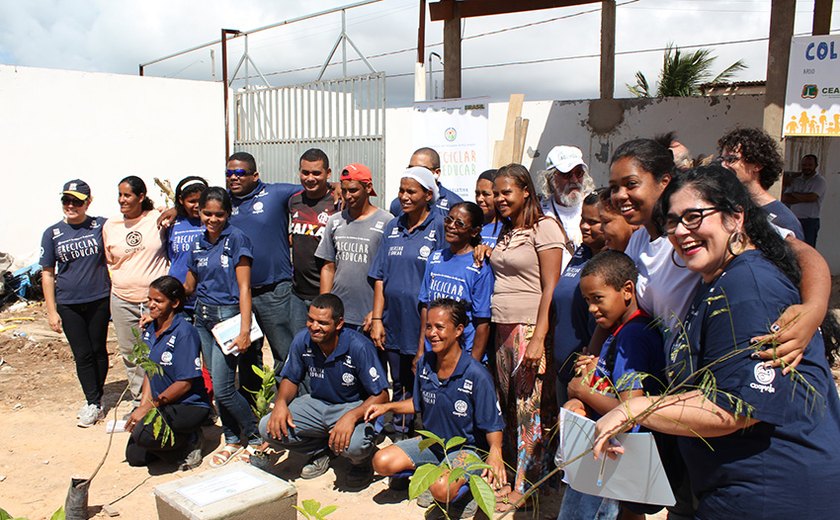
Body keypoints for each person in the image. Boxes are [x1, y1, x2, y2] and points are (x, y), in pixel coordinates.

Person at [593, 165, 840, 519]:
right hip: (737, 487)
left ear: (735, 217)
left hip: (772, 491)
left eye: (694, 217)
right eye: (672, 221)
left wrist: (634, 409)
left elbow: (734, 406)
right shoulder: (718, 281)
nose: (680, 231)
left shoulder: (748, 287)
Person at [366, 298, 506, 514]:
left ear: (459, 330)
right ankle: (433, 476)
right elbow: (417, 404)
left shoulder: (476, 374)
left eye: (440, 327)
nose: (432, 333)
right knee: (381, 462)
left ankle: (466, 494)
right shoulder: (425, 364)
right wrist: (387, 407)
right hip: (433, 443)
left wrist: (496, 451)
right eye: (429, 326)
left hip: (466, 449)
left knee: (441, 489)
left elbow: (492, 424)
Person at [558, 250, 664, 520]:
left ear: (627, 290)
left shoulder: (633, 337)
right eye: (586, 301)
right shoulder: (619, 331)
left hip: (610, 455)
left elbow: (630, 410)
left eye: (597, 299)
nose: (591, 308)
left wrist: (582, 392)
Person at [489, 163, 565, 512]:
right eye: (496, 193)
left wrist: (538, 338)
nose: (499, 199)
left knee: (529, 410)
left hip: (529, 328)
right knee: (510, 408)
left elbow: (551, 287)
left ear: (525, 192)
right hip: (501, 327)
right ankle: (519, 476)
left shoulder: (544, 228)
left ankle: (528, 486)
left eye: (506, 192)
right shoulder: (505, 231)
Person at [260, 294, 388, 488]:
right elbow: (291, 378)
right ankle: (322, 449)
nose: (314, 326)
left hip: (352, 406)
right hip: (317, 403)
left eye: (322, 322)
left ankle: (362, 463)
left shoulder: (359, 346)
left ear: (339, 324)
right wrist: (280, 403)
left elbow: (382, 395)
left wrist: (352, 416)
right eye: (310, 320)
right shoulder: (302, 340)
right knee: (267, 427)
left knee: (355, 446)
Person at [185, 187, 261, 466]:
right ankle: (231, 439)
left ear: (228, 214)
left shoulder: (237, 240)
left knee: (224, 385)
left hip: (228, 317)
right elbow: (190, 285)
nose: (213, 219)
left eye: (219, 214)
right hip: (202, 316)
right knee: (217, 385)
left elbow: (244, 288)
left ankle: (254, 437)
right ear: (199, 212)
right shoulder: (197, 243)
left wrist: (244, 331)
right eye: (207, 213)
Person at [369, 166, 447, 439]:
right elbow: (380, 276)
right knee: (399, 379)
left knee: (427, 378)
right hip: (394, 321)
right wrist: (377, 319)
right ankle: (402, 434)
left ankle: (429, 437)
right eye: (402, 190)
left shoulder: (440, 226)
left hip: (426, 323)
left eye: (411, 191)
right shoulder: (393, 225)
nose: (404, 196)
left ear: (428, 195)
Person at [40, 180, 111, 427]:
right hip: (68, 303)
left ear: (88, 202)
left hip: (98, 299)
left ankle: (98, 395)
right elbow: (48, 273)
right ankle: (92, 401)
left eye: (77, 201)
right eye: (66, 200)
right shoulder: (52, 233)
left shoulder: (100, 225)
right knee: (82, 354)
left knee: (98, 350)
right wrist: (51, 311)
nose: (70, 206)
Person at [225, 151, 301, 381]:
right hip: (239, 294)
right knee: (246, 353)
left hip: (274, 290)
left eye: (240, 173)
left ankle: (287, 403)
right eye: (229, 173)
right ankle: (252, 407)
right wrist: (173, 210)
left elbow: (313, 188)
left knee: (283, 351)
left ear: (255, 175)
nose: (234, 178)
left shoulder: (276, 193)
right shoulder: (224, 200)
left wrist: (335, 186)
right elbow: (194, 206)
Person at [125, 276, 210, 469]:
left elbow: (185, 383)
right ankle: (172, 440)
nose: (151, 305)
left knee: (143, 434)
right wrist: (143, 404)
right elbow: (149, 372)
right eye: (149, 299)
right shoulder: (150, 328)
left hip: (187, 404)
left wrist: (149, 408)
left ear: (175, 303)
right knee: (135, 456)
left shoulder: (185, 332)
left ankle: (189, 441)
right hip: (161, 402)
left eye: (158, 301)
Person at [103, 176, 169, 406]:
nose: (122, 200)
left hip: (156, 302)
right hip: (122, 299)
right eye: (119, 195)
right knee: (131, 353)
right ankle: (140, 400)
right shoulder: (110, 226)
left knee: (161, 350)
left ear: (141, 197)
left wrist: (171, 211)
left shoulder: (157, 218)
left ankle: (165, 398)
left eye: (127, 195)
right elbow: (110, 261)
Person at [316, 163, 392, 330]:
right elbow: (328, 267)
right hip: (338, 316)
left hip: (368, 316)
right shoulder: (335, 221)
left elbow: (389, 273)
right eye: (344, 191)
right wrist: (324, 309)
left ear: (368, 187)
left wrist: (377, 313)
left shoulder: (387, 222)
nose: (347, 196)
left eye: (353, 190)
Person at [417, 202, 494, 364]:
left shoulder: (479, 266)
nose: (451, 226)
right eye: (448, 220)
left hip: (462, 356)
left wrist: (472, 365)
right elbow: (426, 307)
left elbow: (482, 322)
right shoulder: (434, 258)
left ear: (474, 231)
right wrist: (421, 351)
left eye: (459, 223)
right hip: (433, 354)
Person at [550, 191, 604, 410]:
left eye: (594, 222)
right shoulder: (582, 252)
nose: (584, 226)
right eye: (583, 219)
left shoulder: (607, 262)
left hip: (587, 378)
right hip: (563, 372)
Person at [288, 149, 340, 343]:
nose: (310, 178)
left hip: (326, 291)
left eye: (316, 173)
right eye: (305, 172)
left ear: (328, 173)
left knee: (325, 346)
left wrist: (338, 186)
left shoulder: (338, 202)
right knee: (300, 345)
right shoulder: (294, 201)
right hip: (297, 294)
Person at [718, 127, 805, 240]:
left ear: (757, 165)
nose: (723, 165)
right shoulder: (724, 207)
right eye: (722, 159)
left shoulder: (784, 220)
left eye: (731, 159)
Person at [538, 145, 592, 269]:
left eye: (579, 173)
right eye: (567, 174)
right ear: (550, 178)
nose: (574, 180)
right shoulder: (539, 211)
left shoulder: (594, 206)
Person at [167, 176, 209, 303]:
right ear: (181, 200)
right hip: (179, 296)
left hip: (207, 296)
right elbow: (170, 255)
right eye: (191, 201)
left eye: (201, 200)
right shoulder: (172, 224)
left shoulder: (214, 222)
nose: (197, 206)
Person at [388, 147, 463, 217]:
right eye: (411, 168)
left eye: (421, 170)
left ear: (436, 172)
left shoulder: (454, 204)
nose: (414, 173)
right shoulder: (398, 204)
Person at [782, 153, 826, 247]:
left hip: (810, 221)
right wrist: (804, 197)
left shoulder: (819, 181)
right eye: (804, 165)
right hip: (794, 219)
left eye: (810, 165)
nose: (807, 167)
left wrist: (794, 194)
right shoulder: (797, 180)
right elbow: (785, 198)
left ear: (816, 166)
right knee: (792, 248)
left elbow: (812, 197)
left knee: (808, 248)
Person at [475, 169, 501, 248]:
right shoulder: (471, 225)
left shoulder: (509, 228)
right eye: (477, 193)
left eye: (486, 194)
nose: (479, 199)